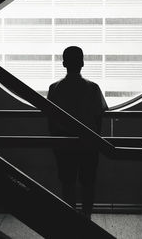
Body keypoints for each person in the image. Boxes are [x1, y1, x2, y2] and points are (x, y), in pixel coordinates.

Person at [47, 46, 108, 219]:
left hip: (64, 143)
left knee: (67, 182)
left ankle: (70, 218)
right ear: (82, 63)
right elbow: (98, 118)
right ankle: (86, 216)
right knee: (88, 182)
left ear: (64, 63)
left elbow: (51, 121)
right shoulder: (93, 88)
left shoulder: (55, 88)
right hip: (89, 143)